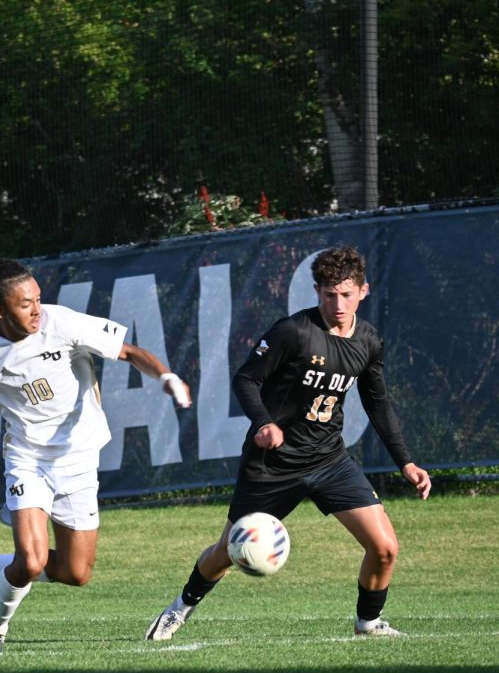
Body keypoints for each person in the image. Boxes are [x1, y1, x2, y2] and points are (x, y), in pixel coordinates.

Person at [0, 251, 192, 653]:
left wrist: (166, 377)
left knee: (76, 573)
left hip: (79, 458)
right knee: (32, 561)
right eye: (26, 304)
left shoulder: (61, 322)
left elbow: (128, 352)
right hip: (28, 460)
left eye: (38, 298)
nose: (37, 309)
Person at [145, 244, 431, 642]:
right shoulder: (294, 332)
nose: (338, 303)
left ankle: (368, 623)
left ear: (363, 291)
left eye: (346, 294)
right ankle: (179, 608)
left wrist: (406, 462)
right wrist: (263, 422)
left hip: (329, 460)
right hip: (273, 463)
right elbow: (246, 378)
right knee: (226, 552)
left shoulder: (368, 340)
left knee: (384, 548)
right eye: (329, 294)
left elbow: (377, 402)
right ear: (317, 291)